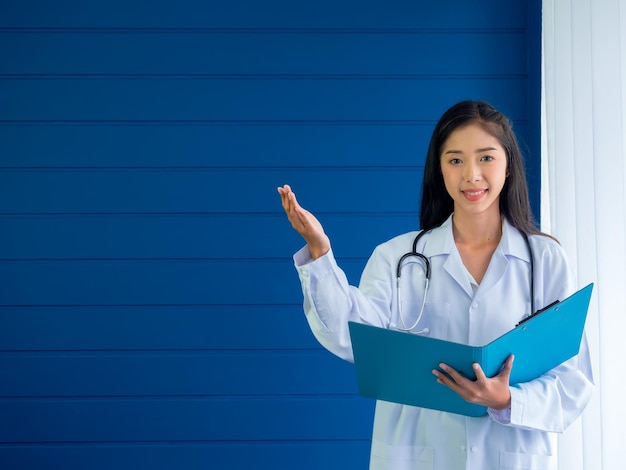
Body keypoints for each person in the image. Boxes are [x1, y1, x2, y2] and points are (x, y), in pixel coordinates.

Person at [277, 100, 593, 469]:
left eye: (486, 158)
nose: (471, 175)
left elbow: (573, 382)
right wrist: (319, 251)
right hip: (417, 453)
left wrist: (507, 399)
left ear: (508, 165)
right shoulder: (398, 256)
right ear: (440, 171)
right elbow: (351, 336)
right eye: (455, 160)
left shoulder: (544, 259)